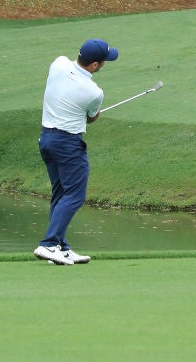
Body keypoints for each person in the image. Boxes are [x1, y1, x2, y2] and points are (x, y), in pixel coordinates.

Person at [33, 38, 118, 265]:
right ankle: (49, 244)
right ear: (94, 66)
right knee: (75, 196)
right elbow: (90, 118)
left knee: (61, 193)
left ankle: (61, 247)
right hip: (68, 144)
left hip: (46, 140)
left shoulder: (58, 63)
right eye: (103, 62)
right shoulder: (94, 92)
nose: (103, 65)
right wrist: (94, 115)